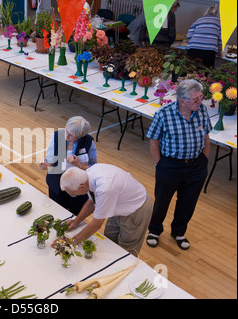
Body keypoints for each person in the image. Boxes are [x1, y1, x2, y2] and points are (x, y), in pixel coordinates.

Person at [145, 79, 212, 250]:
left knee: (188, 202)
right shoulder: (163, 114)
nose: (200, 102)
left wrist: (204, 159)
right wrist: (159, 164)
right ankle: (154, 231)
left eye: (200, 97)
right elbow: (154, 141)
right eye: (195, 99)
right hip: (170, 166)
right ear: (182, 100)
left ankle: (179, 232)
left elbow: (206, 136)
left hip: (196, 166)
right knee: (162, 201)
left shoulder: (202, 111)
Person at [57, 165, 153, 257]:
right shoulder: (88, 176)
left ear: (81, 187)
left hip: (136, 209)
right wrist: (75, 221)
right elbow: (92, 202)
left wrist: (70, 243)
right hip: (117, 204)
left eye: (73, 194)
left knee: (127, 249)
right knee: (109, 240)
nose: (74, 196)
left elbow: (96, 224)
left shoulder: (105, 189)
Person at [39, 116, 97, 215]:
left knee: (75, 213)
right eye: (66, 131)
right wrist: (45, 165)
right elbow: (50, 161)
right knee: (57, 211)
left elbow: (94, 169)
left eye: (71, 135)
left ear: (80, 136)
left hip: (79, 188)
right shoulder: (57, 136)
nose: (66, 136)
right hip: (57, 185)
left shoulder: (88, 141)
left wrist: (78, 164)